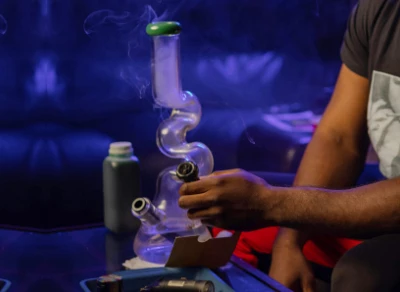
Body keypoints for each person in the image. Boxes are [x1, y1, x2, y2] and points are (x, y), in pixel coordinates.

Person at [178, 0, 400, 291]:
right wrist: (289, 241)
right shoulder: (380, 8)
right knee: (223, 211)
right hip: (386, 184)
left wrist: (273, 203)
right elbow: (339, 138)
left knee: (362, 275)